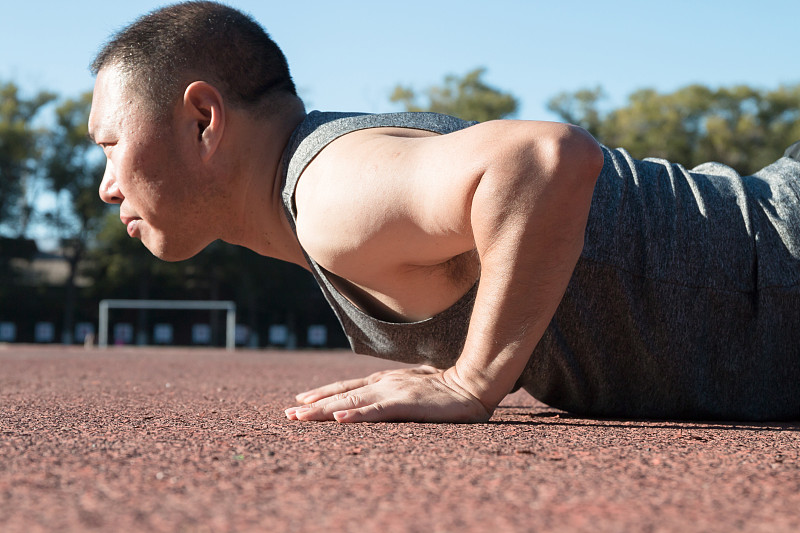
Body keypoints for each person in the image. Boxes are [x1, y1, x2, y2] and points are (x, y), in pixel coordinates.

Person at [88, 1, 800, 423]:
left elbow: (546, 159)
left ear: (204, 118)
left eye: (111, 144)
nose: (106, 185)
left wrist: (471, 380)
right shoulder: (319, 195)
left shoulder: (329, 194)